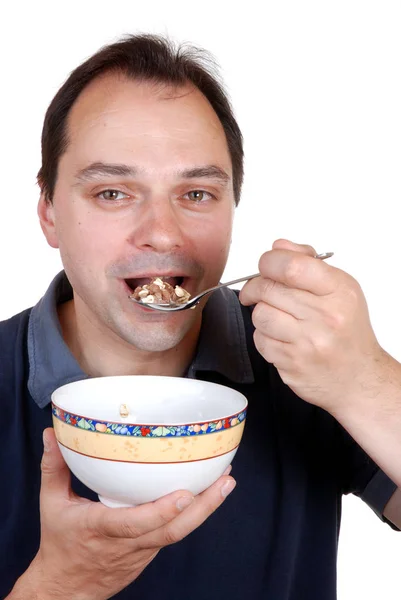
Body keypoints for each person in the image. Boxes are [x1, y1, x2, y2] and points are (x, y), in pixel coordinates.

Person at [1, 34, 400, 600]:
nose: (163, 233)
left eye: (197, 194)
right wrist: (60, 587)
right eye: (112, 192)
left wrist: (365, 378)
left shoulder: (301, 363)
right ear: (49, 213)